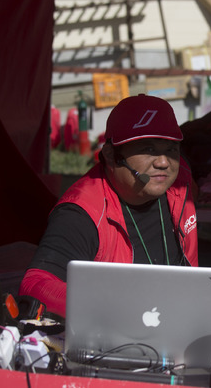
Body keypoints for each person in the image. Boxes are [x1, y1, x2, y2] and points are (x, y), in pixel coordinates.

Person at [19, 94, 199, 317]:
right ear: (111, 156)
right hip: (115, 336)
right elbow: (35, 284)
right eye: (148, 149)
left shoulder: (181, 177)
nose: (163, 162)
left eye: (171, 149)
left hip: (182, 319)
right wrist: (110, 307)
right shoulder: (80, 213)